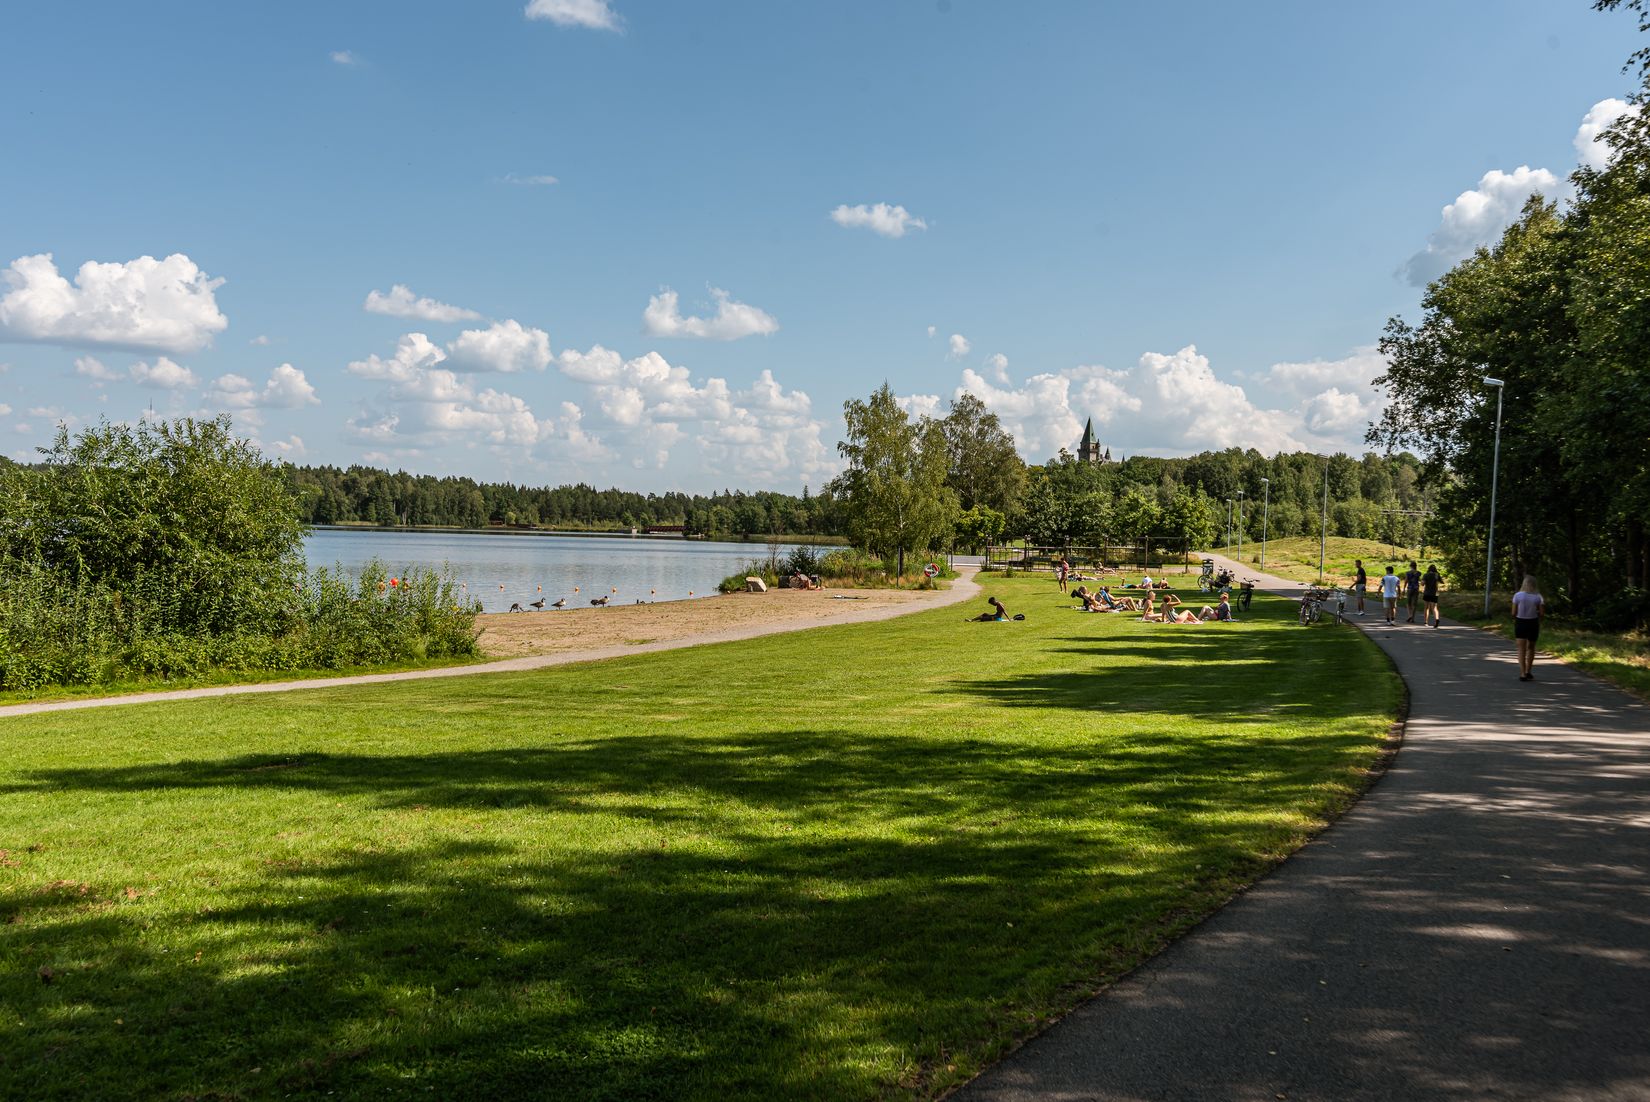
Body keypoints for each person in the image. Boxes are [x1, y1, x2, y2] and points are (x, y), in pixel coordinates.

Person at [1512, 575, 1545, 681]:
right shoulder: (1538, 596)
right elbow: (1542, 613)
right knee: (1531, 647)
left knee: (1521, 649)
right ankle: (1528, 671)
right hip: (1533, 623)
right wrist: (1538, 619)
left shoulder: (1517, 595)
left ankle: (1522, 673)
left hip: (1521, 622)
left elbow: (1513, 612)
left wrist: (1515, 618)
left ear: (1524, 584)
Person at [1422, 564, 1442, 628]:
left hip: (1427, 593)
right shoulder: (1437, 575)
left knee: (1426, 608)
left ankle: (1426, 622)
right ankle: (1437, 619)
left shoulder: (1426, 575)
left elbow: (1422, 584)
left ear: (1429, 569)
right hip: (1435, 593)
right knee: (1434, 608)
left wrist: (1422, 582)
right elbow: (1441, 581)